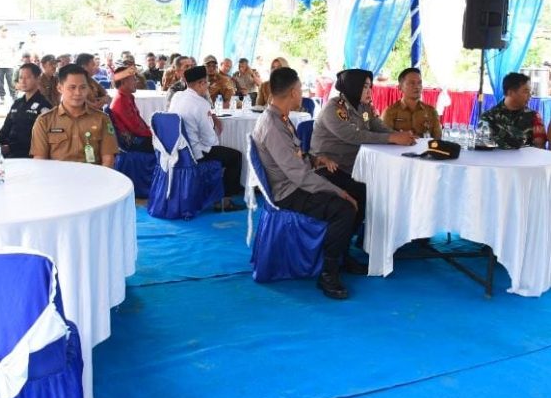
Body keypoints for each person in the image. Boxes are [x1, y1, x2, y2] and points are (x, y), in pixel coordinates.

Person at [252, 67, 358, 299]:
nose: (302, 94)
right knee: (344, 207)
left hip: (294, 181)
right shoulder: (273, 125)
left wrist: (315, 159)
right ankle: (328, 274)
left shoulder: (279, 118)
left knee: (356, 189)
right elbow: (299, 175)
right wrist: (338, 192)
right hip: (288, 192)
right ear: (292, 92)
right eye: (300, 89)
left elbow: (295, 157)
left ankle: (343, 254)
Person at [311, 69, 416, 245]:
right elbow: (353, 135)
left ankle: (364, 239)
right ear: (353, 87)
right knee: (363, 193)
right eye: (365, 87)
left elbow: (376, 126)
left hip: (355, 166)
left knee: (384, 187)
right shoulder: (335, 108)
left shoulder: (364, 107)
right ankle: (340, 248)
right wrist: (392, 138)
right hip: (329, 167)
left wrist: (400, 135)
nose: (369, 91)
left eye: (370, 86)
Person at [169, 65, 244, 211]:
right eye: (206, 83)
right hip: (195, 153)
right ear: (200, 84)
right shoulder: (201, 104)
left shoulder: (177, 97)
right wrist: (213, 126)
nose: (207, 86)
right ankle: (225, 201)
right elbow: (210, 140)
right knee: (235, 156)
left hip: (176, 149)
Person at [31, 64, 118, 166]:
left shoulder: (102, 119)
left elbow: (108, 160)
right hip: (57, 175)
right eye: (72, 87)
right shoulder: (44, 121)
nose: (78, 93)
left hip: (92, 175)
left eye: (83, 87)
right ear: (59, 88)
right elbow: (40, 161)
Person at [0, 63, 52, 158]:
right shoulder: (17, 103)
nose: (23, 81)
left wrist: (10, 148)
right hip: (7, 150)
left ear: (38, 79)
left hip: (27, 155)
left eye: (27, 77)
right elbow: (6, 128)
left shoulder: (44, 106)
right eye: (20, 78)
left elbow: (41, 139)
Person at [480, 72, 548, 149]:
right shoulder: (489, 117)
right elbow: (482, 145)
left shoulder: (534, 117)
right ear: (510, 92)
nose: (530, 96)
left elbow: (540, 147)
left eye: (530, 92)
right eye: (526, 91)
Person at [381, 68, 442, 139]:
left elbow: (437, 140)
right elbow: (385, 139)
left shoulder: (431, 111)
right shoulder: (390, 112)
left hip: (426, 146)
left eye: (419, 83)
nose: (417, 87)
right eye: (412, 83)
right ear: (400, 87)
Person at [109, 66, 153, 152]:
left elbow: (138, 123)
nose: (137, 81)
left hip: (138, 137)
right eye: (133, 79)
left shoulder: (127, 97)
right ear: (123, 82)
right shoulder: (121, 101)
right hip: (133, 142)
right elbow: (135, 129)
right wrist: (153, 134)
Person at [0, 25, 17, 105]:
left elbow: (14, 51)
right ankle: (2, 97)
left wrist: (13, 62)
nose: (4, 32)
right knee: (0, 83)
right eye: (3, 30)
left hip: (9, 64)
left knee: (11, 82)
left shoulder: (11, 40)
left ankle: (14, 97)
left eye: (6, 30)